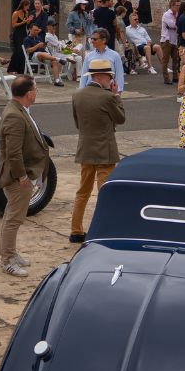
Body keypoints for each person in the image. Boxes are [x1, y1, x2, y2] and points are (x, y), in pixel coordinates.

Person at [0, 75, 49, 277]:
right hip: (17, 177)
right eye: (35, 89)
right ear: (29, 93)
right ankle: (7, 260)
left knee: (14, 217)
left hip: (23, 174)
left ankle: (11, 253)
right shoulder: (14, 115)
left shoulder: (20, 110)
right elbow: (13, 152)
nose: (36, 93)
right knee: (13, 219)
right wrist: (22, 178)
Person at [69, 57, 126, 242]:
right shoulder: (108, 96)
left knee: (82, 192)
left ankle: (76, 230)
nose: (111, 80)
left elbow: (78, 123)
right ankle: (105, 229)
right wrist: (117, 96)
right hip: (105, 151)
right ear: (102, 76)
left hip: (85, 149)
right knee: (106, 194)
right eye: (109, 76)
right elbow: (120, 118)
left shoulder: (77, 95)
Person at [159, 0, 181, 84]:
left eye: (179, 5)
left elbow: (177, 26)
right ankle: (166, 78)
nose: (178, 7)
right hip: (166, 40)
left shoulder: (178, 14)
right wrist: (176, 24)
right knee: (165, 60)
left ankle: (175, 77)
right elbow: (172, 25)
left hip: (174, 40)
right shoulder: (167, 14)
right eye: (177, 5)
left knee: (175, 60)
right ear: (172, 5)